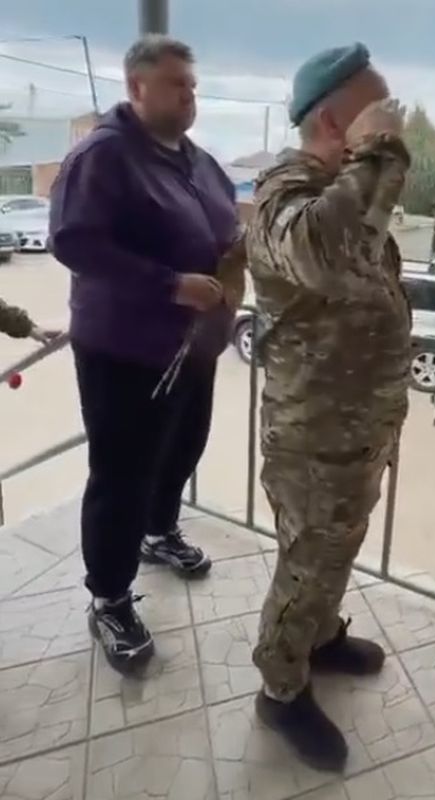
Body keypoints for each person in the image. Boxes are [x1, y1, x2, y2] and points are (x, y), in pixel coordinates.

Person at [49, 35, 242, 675]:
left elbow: (228, 230)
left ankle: (159, 533)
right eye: (176, 84)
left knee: (182, 447)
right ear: (137, 87)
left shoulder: (198, 161)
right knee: (121, 474)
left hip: (193, 346)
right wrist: (170, 284)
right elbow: (75, 243)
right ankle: (109, 597)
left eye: (193, 84)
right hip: (124, 350)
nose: (190, 95)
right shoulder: (102, 157)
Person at [247, 43, 412, 772]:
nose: (393, 118)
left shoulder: (344, 188)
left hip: (357, 427)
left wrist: (371, 161)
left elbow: (361, 256)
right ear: (332, 120)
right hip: (311, 435)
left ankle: (318, 640)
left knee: (335, 551)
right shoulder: (283, 194)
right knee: (306, 563)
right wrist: (378, 151)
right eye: (378, 108)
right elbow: (318, 250)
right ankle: (280, 690)